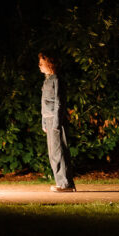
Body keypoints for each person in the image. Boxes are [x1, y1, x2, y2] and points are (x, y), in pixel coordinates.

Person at [39, 52, 76, 192]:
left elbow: (59, 102)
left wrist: (56, 123)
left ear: (50, 64)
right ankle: (61, 182)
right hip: (48, 119)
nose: (39, 66)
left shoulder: (57, 80)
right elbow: (45, 103)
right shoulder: (47, 80)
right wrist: (44, 121)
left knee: (59, 151)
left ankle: (66, 184)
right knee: (53, 153)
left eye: (42, 63)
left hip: (56, 120)